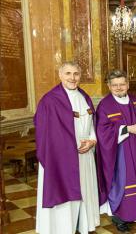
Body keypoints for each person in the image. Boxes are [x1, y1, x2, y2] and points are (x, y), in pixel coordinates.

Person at [34, 62, 100, 234]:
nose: (72, 78)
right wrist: (69, 146)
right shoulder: (50, 100)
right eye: (68, 73)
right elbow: (44, 132)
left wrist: (92, 141)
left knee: (84, 192)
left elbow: (92, 123)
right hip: (60, 159)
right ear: (60, 75)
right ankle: (62, 229)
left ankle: (83, 226)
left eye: (76, 74)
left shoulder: (84, 96)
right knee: (64, 198)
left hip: (84, 156)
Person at [95, 70, 136, 232]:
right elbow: (102, 131)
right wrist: (127, 129)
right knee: (123, 180)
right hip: (119, 151)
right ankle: (119, 215)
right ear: (109, 86)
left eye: (122, 84)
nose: (119, 88)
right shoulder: (105, 105)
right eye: (115, 85)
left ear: (128, 85)